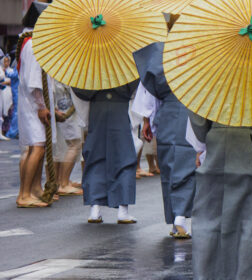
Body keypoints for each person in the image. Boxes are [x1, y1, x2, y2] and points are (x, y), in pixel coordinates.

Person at [188, 114, 252, 280]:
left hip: (215, 147)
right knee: (251, 221)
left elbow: (199, 129)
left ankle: (207, 274)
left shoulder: (208, 87)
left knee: (208, 220)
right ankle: (247, 275)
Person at [132, 42, 197, 238]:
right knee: (189, 165)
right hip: (194, 111)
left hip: (168, 112)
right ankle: (182, 217)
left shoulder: (162, 53)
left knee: (169, 165)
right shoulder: (204, 49)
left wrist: (147, 119)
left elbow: (149, 94)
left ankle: (176, 217)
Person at [74, 80, 139, 224]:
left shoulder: (92, 62)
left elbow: (79, 90)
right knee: (124, 157)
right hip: (121, 107)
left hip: (97, 108)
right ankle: (123, 210)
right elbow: (135, 86)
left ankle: (95, 209)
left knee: (95, 156)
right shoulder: (124, 60)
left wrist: (98, 85)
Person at [16, 29, 57, 208]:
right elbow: (34, 82)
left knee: (38, 147)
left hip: (32, 104)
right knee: (38, 148)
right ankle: (24, 194)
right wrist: (41, 107)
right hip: (33, 105)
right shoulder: (34, 45)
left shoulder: (33, 43)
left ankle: (35, 188)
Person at [53, 80, 87, 196]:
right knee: (75, 144)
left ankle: (60, 181)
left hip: (60, 103)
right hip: (65, 106)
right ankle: (63, 183)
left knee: (62, 146)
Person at [5, 56, 20, 139]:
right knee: (16, 112)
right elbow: (15, 74)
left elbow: (14, 74)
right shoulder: (18, 61)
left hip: (17, 90)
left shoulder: (18, 61)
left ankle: (13, 132)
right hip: (16, 90)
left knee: (16, 112)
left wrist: (6, 71)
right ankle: (12, 132)